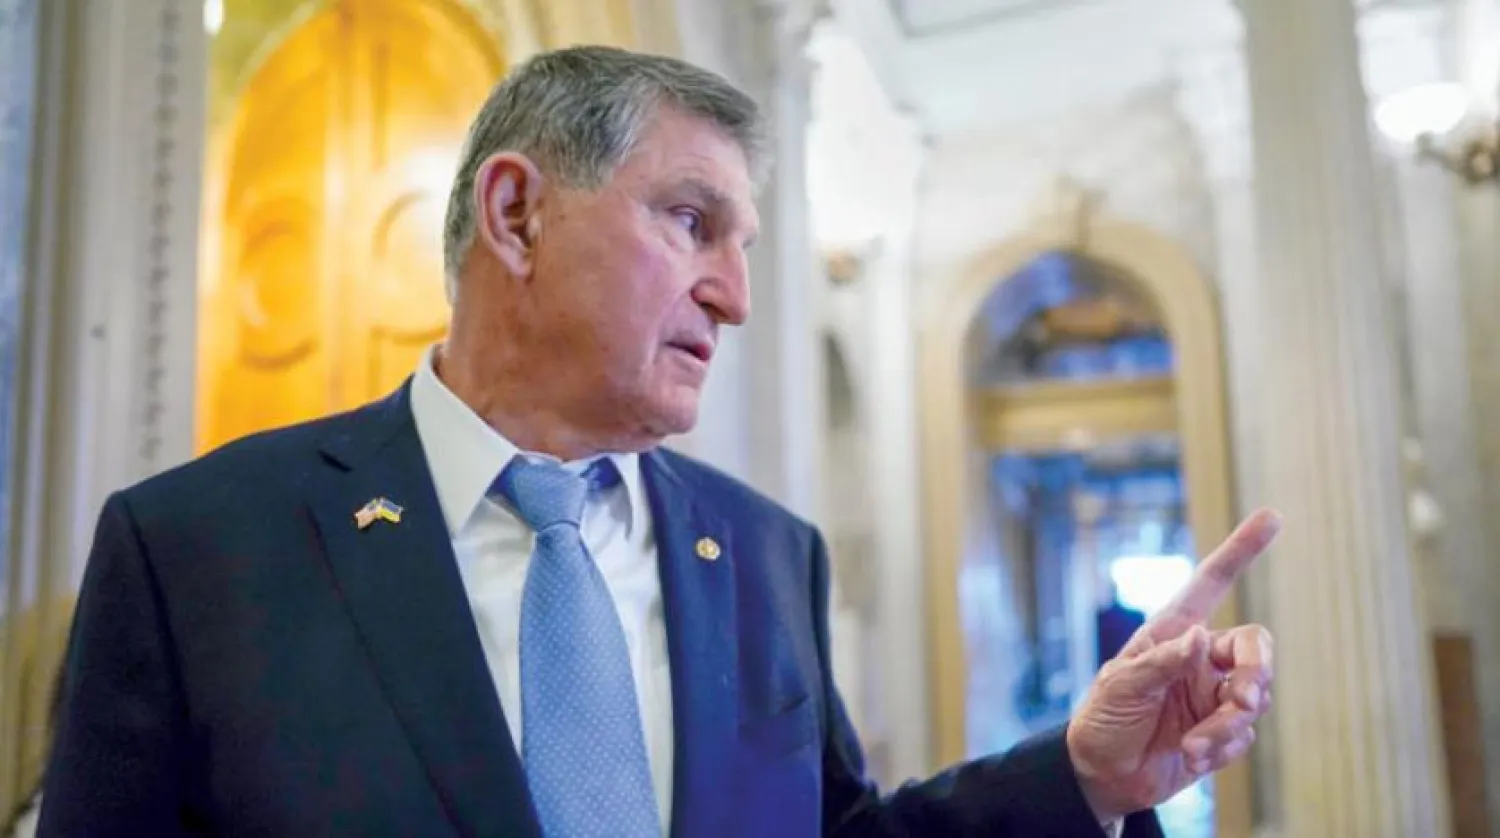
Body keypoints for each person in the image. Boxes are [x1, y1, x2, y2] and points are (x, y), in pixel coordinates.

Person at [39, 45, 1277, 837]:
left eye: (744, 247)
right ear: (517, 215)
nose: (734, 296)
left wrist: (1081, 774)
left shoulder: (761, 552)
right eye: (692, 223)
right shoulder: (199, 547)